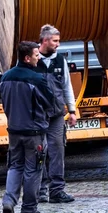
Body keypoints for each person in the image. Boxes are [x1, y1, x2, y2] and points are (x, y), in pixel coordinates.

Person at [0, 41, 54, 213]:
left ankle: (9, 201)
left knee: (15, 166)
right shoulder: (36, 79)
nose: (39, 58)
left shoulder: (5, 77)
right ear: (27, 58)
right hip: (34, 133)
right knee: (33, 170)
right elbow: (50, 102)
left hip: (14, 130)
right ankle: (29, 209)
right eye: (36, 55)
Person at [35, 24, 77, 203]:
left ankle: (57, 190)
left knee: (57, 151)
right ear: (45, 41)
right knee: (39, 152)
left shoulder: (60, 61)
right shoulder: (32, 59)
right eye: (55, 41)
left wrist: (72, 110)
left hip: (56, 115)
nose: (58, 44)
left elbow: (67, 86)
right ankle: (40, 190)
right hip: (37, 115)